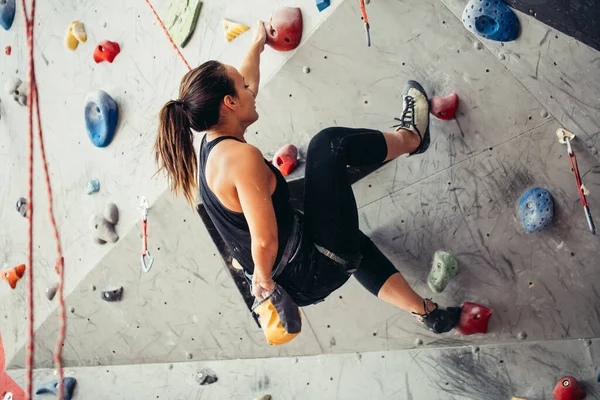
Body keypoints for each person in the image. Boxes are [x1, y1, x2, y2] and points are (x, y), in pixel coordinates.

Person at [154, 22, 460, 334]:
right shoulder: (239, 160)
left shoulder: (211, 142)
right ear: (229, 103)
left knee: (351, 240)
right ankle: (411, 138)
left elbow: (245, 82)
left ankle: (428, 313)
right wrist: (261, 278)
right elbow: (264, 239)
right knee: (327, 145)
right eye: (242, 89)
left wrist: (257, 45)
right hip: (312, 267)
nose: (250, 89)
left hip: (298, 275)